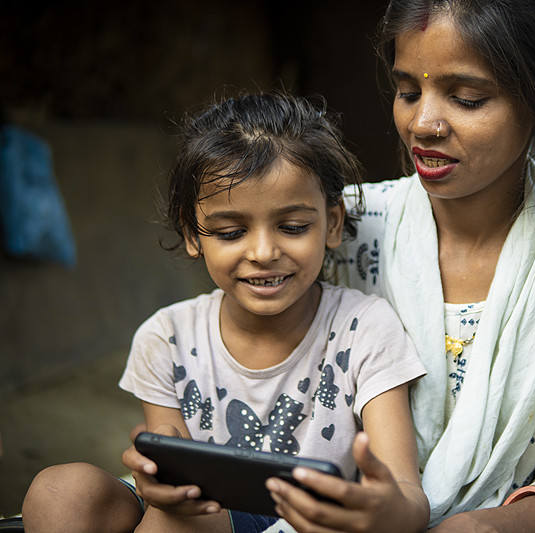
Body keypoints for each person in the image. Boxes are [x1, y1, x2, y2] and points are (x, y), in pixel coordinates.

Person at [259, 1, 535, 531]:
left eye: (466, 98)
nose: (423, 123)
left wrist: (493, 526)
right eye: (408, 91)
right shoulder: (337, 231)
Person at [21, 91, 429, 533]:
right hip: (197, 514)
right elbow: (173, 484)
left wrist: (387, 513)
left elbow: (407, 493)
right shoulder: (167, 338)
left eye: (292, 227)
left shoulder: (364, 330)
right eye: (231, 232)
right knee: (59, 491)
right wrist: (156, 484)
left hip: (298, 525)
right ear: (193, 234)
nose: (263, 252)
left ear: (332, 224)